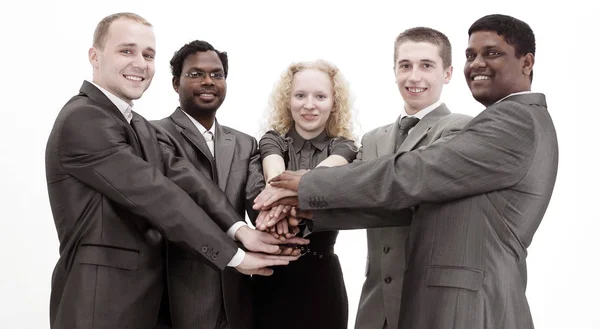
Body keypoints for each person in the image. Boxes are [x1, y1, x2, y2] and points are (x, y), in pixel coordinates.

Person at [257, 14, 558, 329]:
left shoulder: (504, 122)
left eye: (492, 53)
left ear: (526, 63)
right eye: (471, 55)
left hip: (464, 302)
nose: (478, 63)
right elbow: (383, 206)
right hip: (388, 306)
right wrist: (302, 211)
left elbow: (414, 174)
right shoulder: (378, 137)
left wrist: (308, 184)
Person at [45, 13, 303, 329]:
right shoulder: (84, 118)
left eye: (148, 54)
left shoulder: (136, 124)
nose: (139, 63)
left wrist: (240, 229)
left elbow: (185, 179)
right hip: (101, 306)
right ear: (94, 56)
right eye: (126, 50)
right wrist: (234, 257)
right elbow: (159, 195)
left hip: (146, 305)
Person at [349, 27, 471, 329]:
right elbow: (347, 196)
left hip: (431, 306)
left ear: (448, 73)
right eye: (405, 65)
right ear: (394, 71)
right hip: (375, 307)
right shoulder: (373, 138)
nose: (413, 77)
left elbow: (404, 190)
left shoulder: (460, 129)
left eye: (426, 65)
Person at [152, 40, 268, 329]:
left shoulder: (245, 142)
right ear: (176, 83)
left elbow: (257, 200)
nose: (208, 81)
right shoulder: (153, 134)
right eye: (196, 74)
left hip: (237, 297)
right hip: (176, 297)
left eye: (217, 74)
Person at [252, 60, 358, 329]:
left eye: (320, 96)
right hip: (271, 275)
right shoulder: (272, 139)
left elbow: (318, 180)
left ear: (334, 102)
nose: (309, 104)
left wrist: (282, 203)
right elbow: (274, 178)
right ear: (288, 100)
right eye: (300, 95)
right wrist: (280, 191)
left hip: (323, 279)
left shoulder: (345, 147)